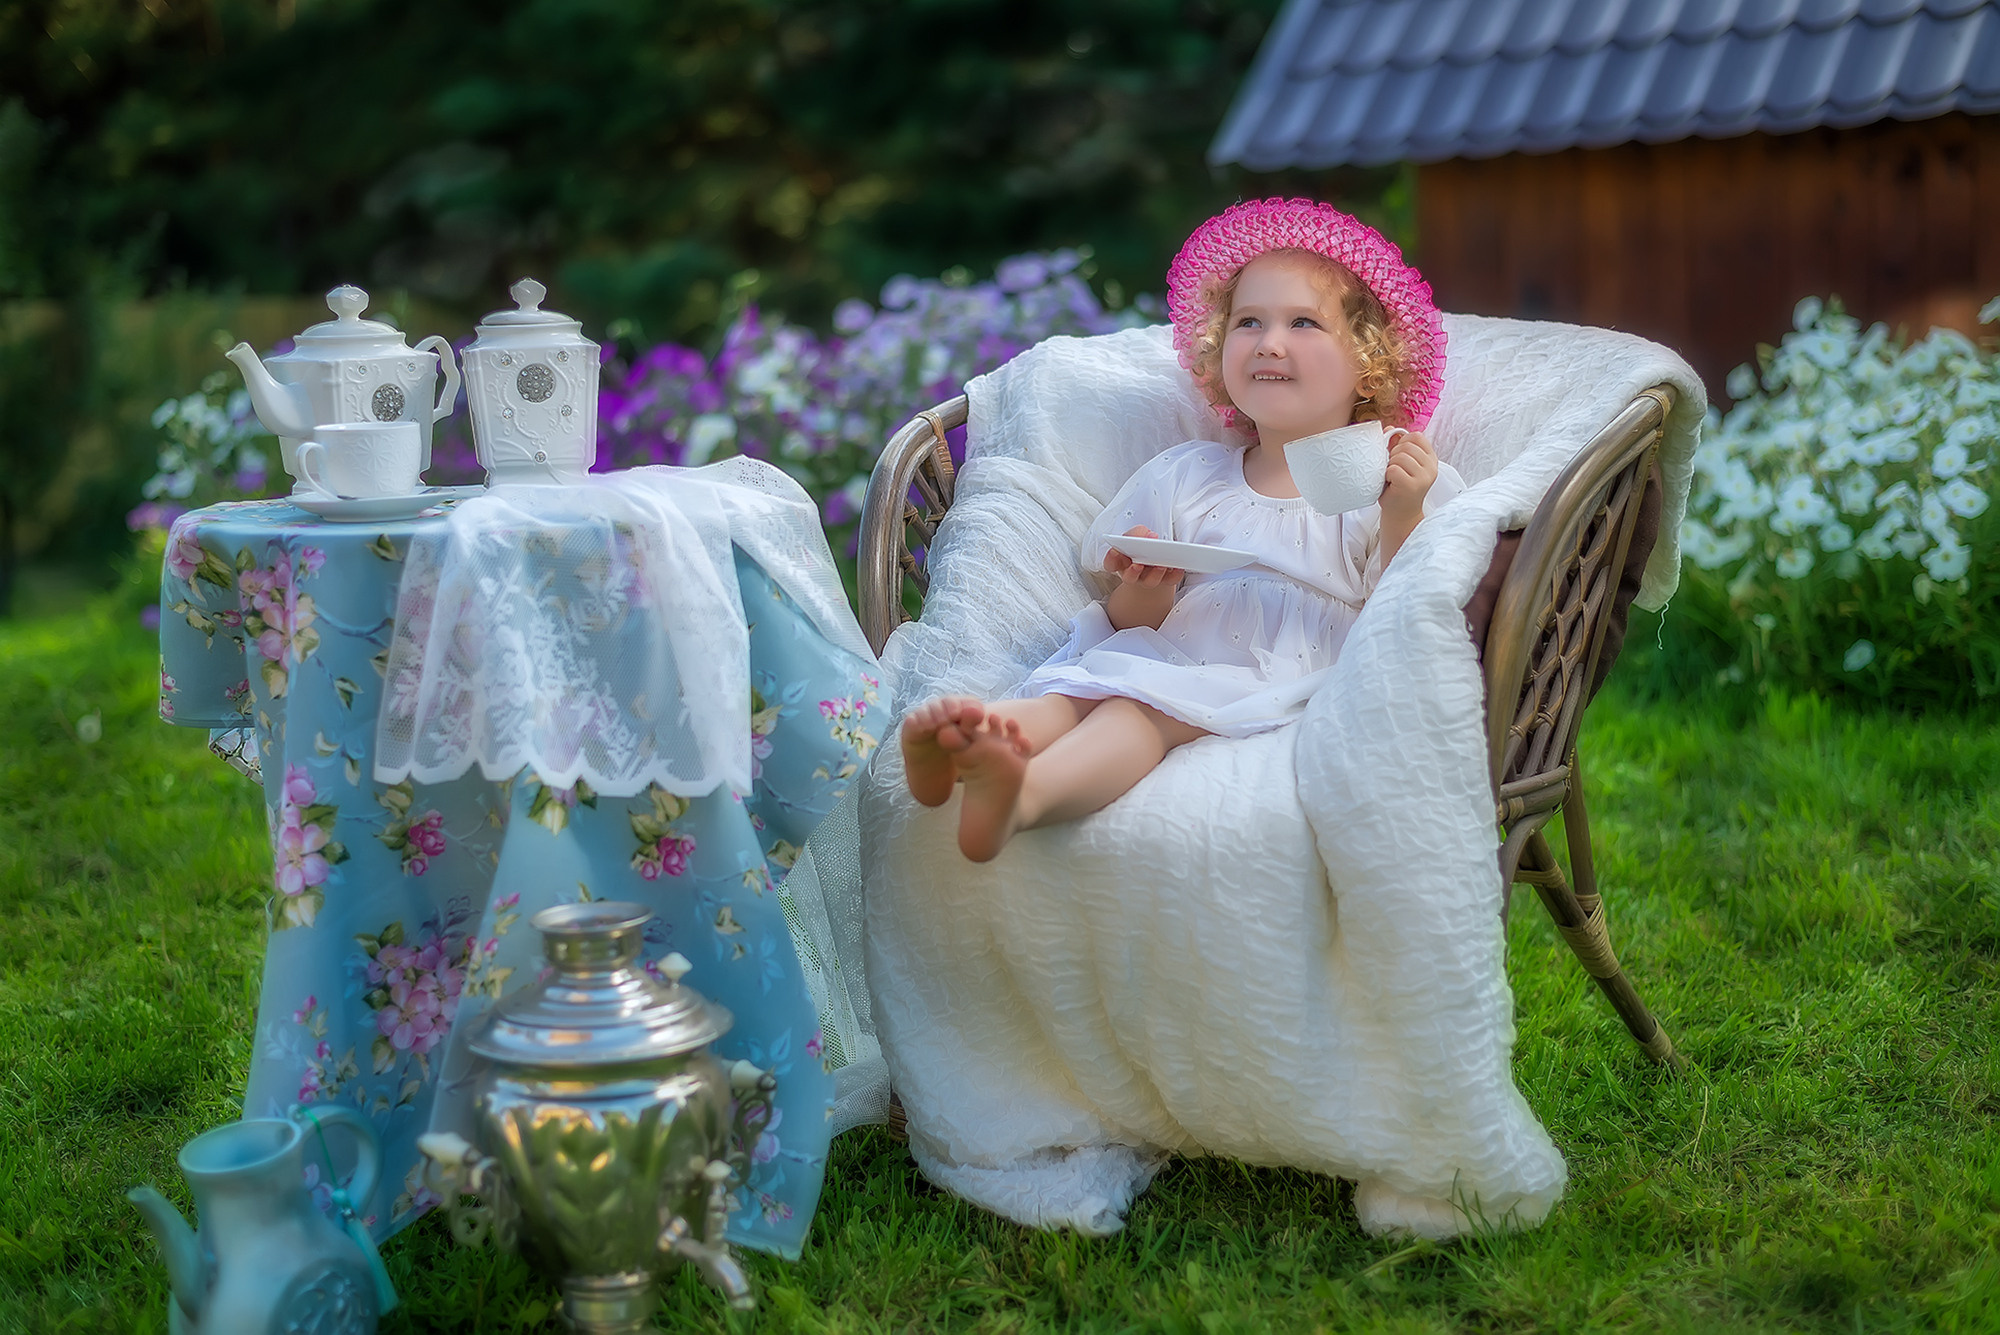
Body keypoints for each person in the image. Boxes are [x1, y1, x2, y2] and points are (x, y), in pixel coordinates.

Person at [899, 198, 1462, 860]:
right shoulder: (1189, 474)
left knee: (1134, 712)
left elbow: (1412, 607)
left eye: (1303, 322)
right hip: (1170, 653)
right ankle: (979, 739)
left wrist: (1404, 513)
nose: (1269, 341)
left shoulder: (1390, 475)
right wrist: (1147, 586)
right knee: (1087, 681)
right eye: (1248, 321)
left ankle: (1024, 796)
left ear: (1370, 361)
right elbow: (1133, 621)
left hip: (1288, 668)